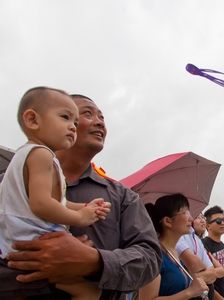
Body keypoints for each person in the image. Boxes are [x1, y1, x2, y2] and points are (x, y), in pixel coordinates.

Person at [2, 93, 162, 299]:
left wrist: (94, 262)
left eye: (102, 118)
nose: (99, 123)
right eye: (86, 114)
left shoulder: (124, 197)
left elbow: (150, 258)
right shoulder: (8, 184)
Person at [0, 87, 112, 299]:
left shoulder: (32, 155)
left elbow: (56, 201)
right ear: (33, 120)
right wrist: (80, 217)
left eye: (75, 123)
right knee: (85, 288)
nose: (72, 127)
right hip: (30, 238)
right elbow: (41, 205)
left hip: (15, 242)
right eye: (65, 117)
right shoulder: (41, 154)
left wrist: (85, 207)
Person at [139, 193, 209, 299]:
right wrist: (189, 292)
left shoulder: (173, 252)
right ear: (168, 221)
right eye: (185, 212)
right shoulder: (154, 256)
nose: (191, 218)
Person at [176, 212, 224, 300]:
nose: (203, 220)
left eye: (203, 217)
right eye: (198, 217)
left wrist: (203, 273)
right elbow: (195, 265)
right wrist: (207, 272)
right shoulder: (180, 237)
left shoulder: (198, 240)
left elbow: (220, 271)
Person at [202, 205, 224, 299]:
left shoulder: (223, 246)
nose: (223, 223)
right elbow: (203, 279)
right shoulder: (203, 245)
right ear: (208, 225)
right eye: (218, 221)